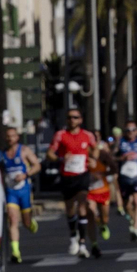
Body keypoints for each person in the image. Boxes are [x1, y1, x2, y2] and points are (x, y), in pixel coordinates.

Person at [49, 106, 100, 258]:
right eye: (70, 117)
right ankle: (73, 237)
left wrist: (93, 159)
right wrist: (60, 158)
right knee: (70, 209)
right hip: (67, 175)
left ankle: (83, 243)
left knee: (82, 206)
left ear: (81, 120)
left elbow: (96, 149)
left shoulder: (87, 135)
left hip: (82, 175)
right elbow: (50, 153)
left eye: (76, 117)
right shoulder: (61, 135)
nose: (73, 120)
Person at [2, 125, 40, 263]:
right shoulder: (3, 154)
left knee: (26, 222)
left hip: (24, 190)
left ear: (17, 137)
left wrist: (25, 175)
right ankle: (16, 252)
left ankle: (30, 223)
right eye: (7, 136)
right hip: (11, 191)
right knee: (12, 219)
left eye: (12, 136)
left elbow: (37, 165)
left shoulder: (24, 151)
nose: (10, 138)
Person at [115, 120, 137, 241]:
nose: (131, 132)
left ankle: (135, 227)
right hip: (124, 176)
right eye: (128, 130)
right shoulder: (120, 142)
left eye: (133, 130)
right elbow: (112, 157)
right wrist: (121, 158)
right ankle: (134, 220)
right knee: (127, 205)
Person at [85, 139, 115, 242]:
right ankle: (94, 244)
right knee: (91, 214)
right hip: (90, 192)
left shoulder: (103, 155)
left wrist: (102, 174)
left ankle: (103, 225)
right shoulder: (83, 157)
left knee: (105, 217)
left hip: (103, 191)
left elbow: (114, 168)